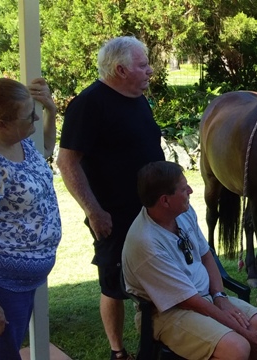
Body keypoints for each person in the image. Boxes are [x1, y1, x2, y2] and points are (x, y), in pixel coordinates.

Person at [56, 36, 165, 360]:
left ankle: (160, 340)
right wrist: (94, 211)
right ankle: (118, 351)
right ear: (120, 69)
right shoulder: (89, 104)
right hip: (113, 216)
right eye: (143, 65)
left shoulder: (137, 98)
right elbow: (67, 161)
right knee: (113, 285)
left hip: (152, 212)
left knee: (157, 277)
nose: (150, 70)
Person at [122, 161, 257, 360]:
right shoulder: (146, 243)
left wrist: (220, 297)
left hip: (205, 298)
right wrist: (246, 334)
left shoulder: (183, 212)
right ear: (165, 201)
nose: (191, 190)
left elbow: (206, 255)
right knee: (238, 348)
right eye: (183, 188)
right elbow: (191, 302)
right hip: (168, 313)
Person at [0, 77, 60, 359]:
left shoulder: (20, 140)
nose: (35, 118)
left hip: (24, 281)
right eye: (29, 116)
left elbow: (46, 151)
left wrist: (51, 110)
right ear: (1, 124)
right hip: (2, 284)